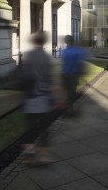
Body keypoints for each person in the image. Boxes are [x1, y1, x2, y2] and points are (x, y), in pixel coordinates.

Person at [20, 31, 53, 165]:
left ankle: (28, 157)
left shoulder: (28, 56)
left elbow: (24, 76)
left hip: (30, 97)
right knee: (44, 128)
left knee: (31, 128)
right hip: (44, 97)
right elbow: (49, 78)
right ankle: (44, 157)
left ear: (33, 41)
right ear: (44, 42)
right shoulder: (46, 57)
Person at [61, 35, 86, 115]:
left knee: (68, 92)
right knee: (72, 93)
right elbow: (80, 64)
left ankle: (69, 108)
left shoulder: (64, 52)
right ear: (73, 41)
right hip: (74, 75)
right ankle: (70, 109)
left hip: (65, 75)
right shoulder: (76, 51)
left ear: (66, 42)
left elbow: (63, 64)